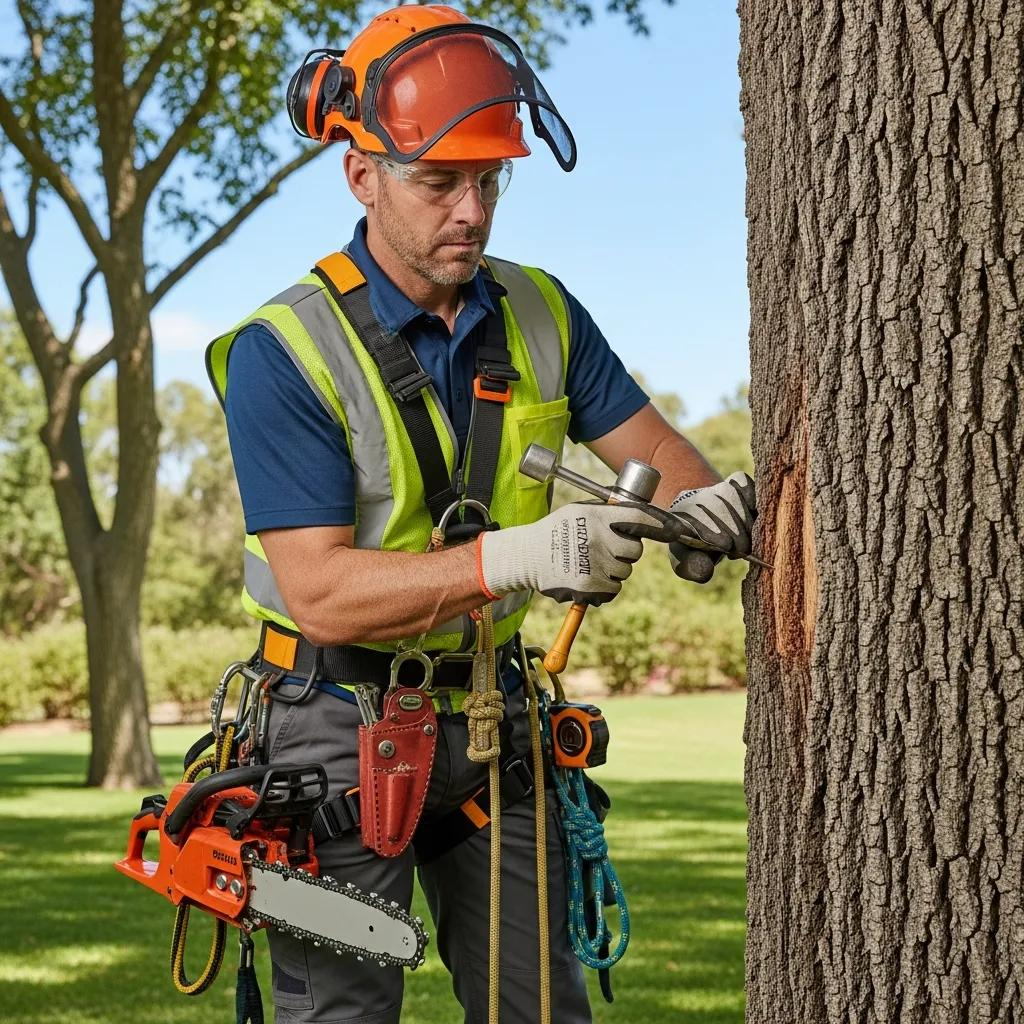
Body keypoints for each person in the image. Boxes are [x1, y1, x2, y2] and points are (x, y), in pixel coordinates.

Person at [207, 6, 756, 1022]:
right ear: (361, 172)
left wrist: (702, 505)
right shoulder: (282, 350)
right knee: (342, 1011)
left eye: (489, 180)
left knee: (537, 1006)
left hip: (491, 724)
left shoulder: (541, 310)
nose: (471, 210)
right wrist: (524, 555)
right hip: (330, 731)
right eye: (439, 180)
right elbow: (320, 593)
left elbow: (660, 456)